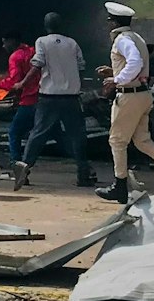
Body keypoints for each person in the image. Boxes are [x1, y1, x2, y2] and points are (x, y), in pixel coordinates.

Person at [96, 2, 154, 203]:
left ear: (114, 22)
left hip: (129, 96)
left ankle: (119, 186)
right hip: (143, 95)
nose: (107, 24)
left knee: (117, 141)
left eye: (109, 20)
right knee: (142, 141)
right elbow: (138, 66)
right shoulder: (136, 38)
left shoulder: (122, 40)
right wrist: (113, 72)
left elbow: (135, 63)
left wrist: (116, 80)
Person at [14, 12, 94, 189]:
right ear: (61, 26)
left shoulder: (42, 41)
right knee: (77, 135)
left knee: (37, 134)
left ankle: (23, 172)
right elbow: (81, 66)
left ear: (46, 26)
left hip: (49, 96)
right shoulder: (72, 43)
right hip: (71, 97)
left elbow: (37, 65)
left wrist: (22, 83)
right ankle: (83, 174)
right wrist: (76, 84)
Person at [0, 32, 40, 174]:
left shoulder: (15, 57)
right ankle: (84, 167)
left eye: (5, 42)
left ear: (12, 40)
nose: (3, 46)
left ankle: (17, 168)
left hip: (29, 100)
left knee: (14, 133)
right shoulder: (33, 51)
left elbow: (15, 81)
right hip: (44, 99)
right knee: (56, 135)